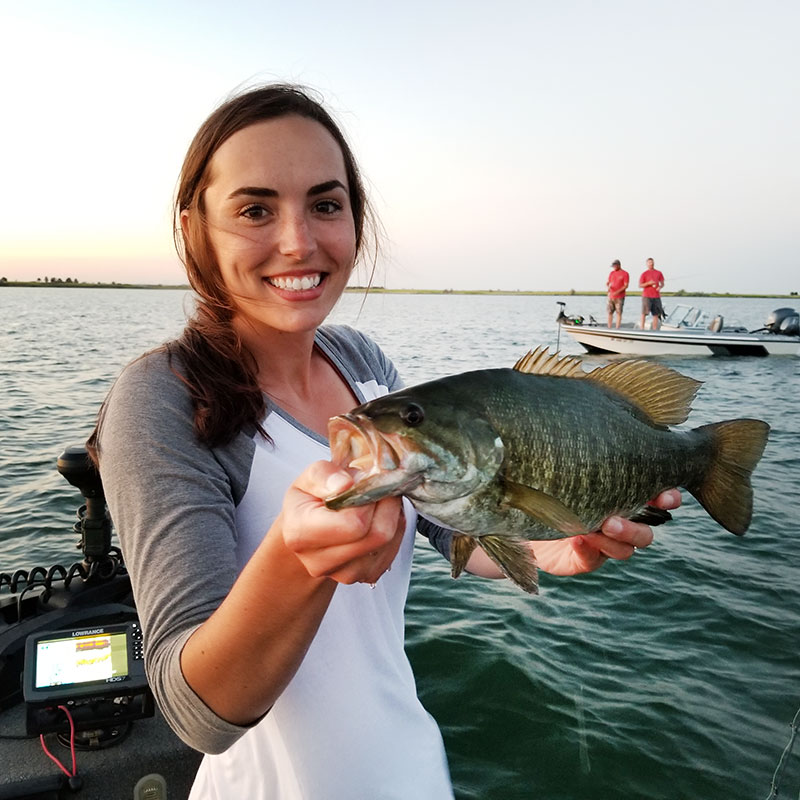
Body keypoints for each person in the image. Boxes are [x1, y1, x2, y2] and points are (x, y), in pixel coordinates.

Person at [87, 84, 681, 800]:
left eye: (326, 204)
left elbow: (448, 525)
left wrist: (551, 545)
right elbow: (196, 716)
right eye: (254, 209)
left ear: (356, 221)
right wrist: (294, 562)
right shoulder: (161, 397)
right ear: (194, 230)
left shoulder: (363, 363)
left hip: (414, 773)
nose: (299, 241)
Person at [639, 257, 665, 329]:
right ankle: (642, 328)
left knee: (656, 314)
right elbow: (640, 285)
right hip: (646, 296)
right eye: (649, 262)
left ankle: (654, 329)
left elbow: (662, 283)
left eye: (652, 262)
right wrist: (648, 283)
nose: (651, 264)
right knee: (644, 313)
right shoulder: (644, 274)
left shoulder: (659, 273)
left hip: (656, 296)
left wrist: (660, 287)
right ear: (647, 264)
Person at [606, 259, 629, 328]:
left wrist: (617, 291)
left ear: (618, 265)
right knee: (610, 312)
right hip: (611, 296)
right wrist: (608, 287)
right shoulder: (612, 273)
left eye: (615, 266)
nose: (614, 267)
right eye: (613, 266)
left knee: (618, 312)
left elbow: (626, 285)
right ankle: (609, 327)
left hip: (620, 296)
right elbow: (609, 282)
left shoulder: (625, 274)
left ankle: (617, 327)